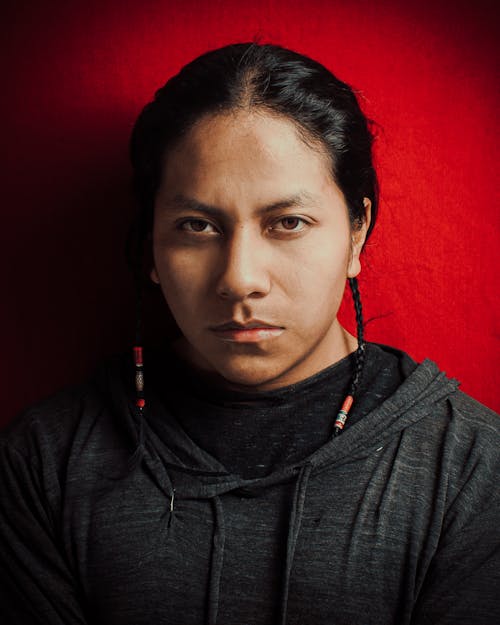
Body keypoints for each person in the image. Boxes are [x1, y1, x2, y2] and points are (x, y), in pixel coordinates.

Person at [1, 42, 498, 625]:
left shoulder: (471, 469)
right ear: (151, 250)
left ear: (357, 233)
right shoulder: (44, 462)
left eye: (287, 223)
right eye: (196, 226)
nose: (239, 279)